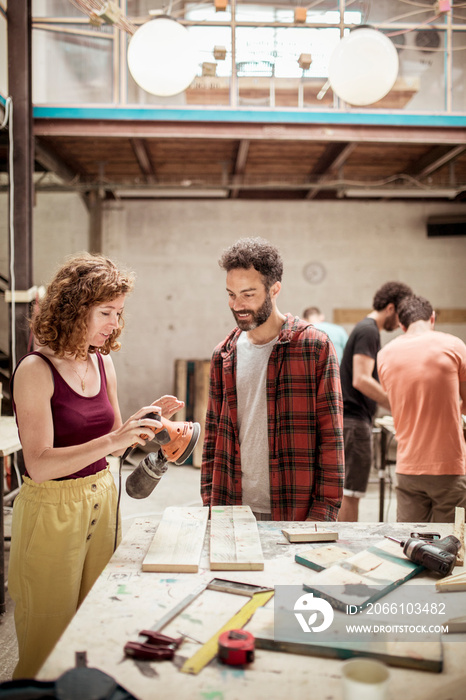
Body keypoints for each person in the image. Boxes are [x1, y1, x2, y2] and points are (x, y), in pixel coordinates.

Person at [8, 252, 184, 679]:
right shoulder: (36, 369)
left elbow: (115, 450)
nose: (114, 323)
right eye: (105, 312)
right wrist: (114, 438)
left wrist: (140, 426)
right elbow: (40, 464)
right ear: (73, 308)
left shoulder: (103, 363)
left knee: (96, 626)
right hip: (51, 509)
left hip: (102, 500)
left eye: (119, 313)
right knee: (47, 643)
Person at [201, 237, 344, 522]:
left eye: (248, 294)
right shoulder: (224, 354)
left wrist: (324, 511)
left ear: (274, 289)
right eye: (231, 294)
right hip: (232, 507)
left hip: (296, 509)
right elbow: (213, 437)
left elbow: (331, 437)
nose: (237, 305)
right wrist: (210, 500)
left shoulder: (314, 347)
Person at [377, 295, 466, 523]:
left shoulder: (384, 354)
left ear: (402, 325)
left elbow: (400, 397)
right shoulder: (454, 346)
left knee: (411, 543)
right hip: (449, 466)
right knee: (450, 547)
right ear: (432, 318)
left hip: (407, 467)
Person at [338, 280, 413, 522]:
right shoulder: (369, 330)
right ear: (391, 307)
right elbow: (361, 379)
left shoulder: (366, 329)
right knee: (350, 493)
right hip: (353, 422)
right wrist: (398, 406)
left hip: (352, 421)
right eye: (400, 314)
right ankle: (343, 551)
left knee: (350, 492)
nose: (401, 323)